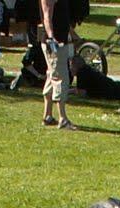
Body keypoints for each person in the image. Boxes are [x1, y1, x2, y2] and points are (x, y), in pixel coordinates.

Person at [39, 0, 76, 129]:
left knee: (51, 76)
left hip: (61, 41)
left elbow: (63, 17)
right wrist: (51, 37)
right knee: (60, 78)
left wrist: (73, 34)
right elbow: (46, 16)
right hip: (54, 44)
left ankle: (47, 116)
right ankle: (63, 119)